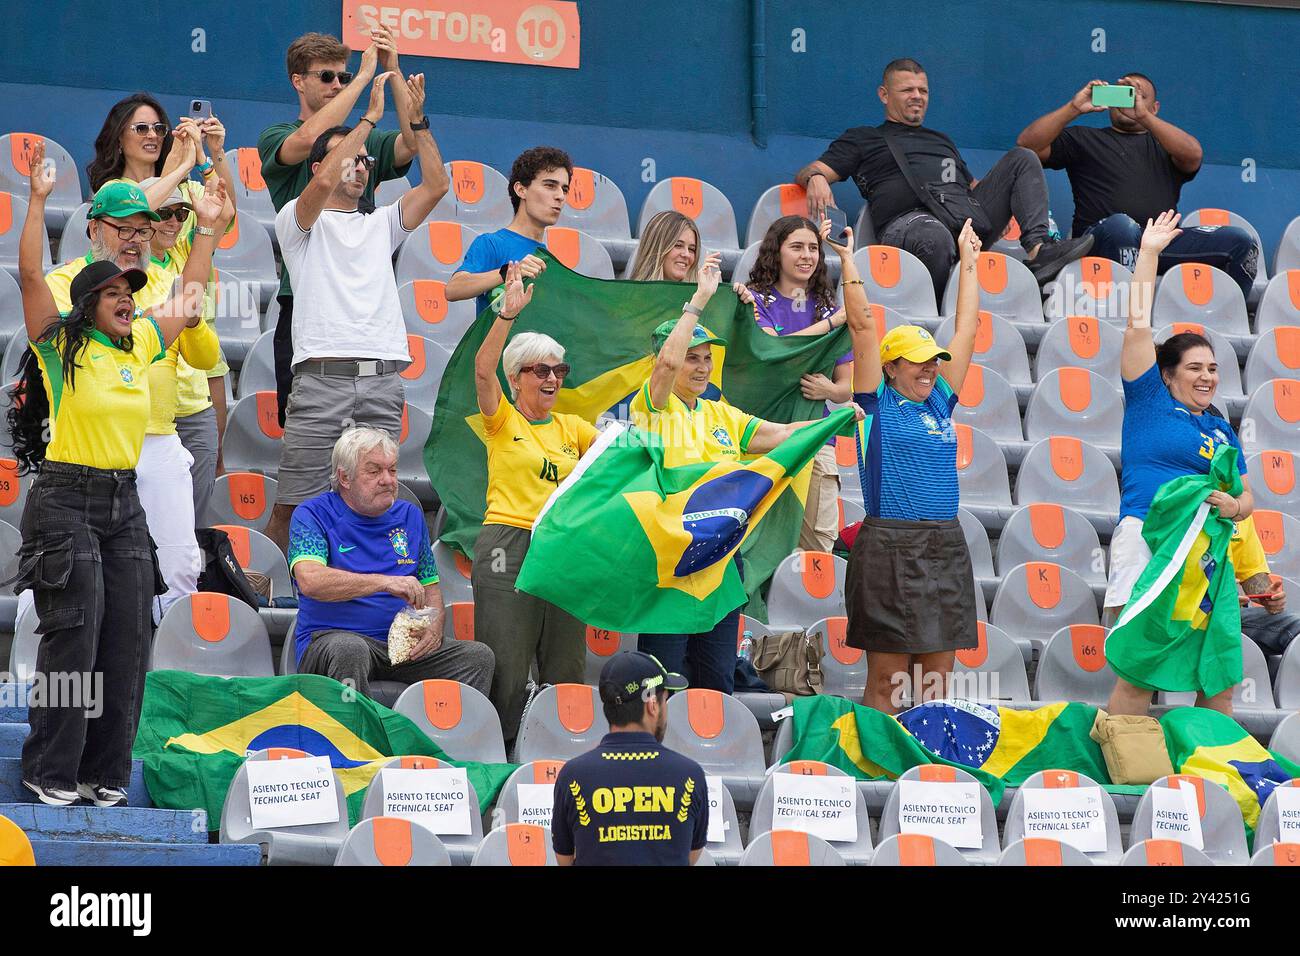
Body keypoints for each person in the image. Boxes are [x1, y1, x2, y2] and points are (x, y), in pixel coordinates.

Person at [10, 141, 227, 807]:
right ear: (86, 304)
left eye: (130, 292)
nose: (129, 299)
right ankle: (50, 768)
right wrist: (38, 203)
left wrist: (208, 233)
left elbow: (188, 302)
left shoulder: (139, 342)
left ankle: (104, 773)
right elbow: (27, 280)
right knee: (73, 637)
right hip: (64, 497)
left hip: (122, 501)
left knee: (128, 636)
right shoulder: (60, 347)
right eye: (114, 294)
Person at [632, 254, 862, 693]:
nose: (701, 367)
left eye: (706, 358)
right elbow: (663, 366)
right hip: (673, 559)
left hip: (722, 560)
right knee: (664, 683)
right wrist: (698, 301)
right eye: (691, 359)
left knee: (717, 681)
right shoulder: (653, 408)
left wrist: (831, 422)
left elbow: (781, 434)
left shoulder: (722, 413)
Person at [264, 71, 450, 553]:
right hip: (321, 379)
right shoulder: (295, 223)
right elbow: (324, 176)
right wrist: (367, 118)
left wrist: (418, 122)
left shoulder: (383, 223)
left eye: (366, 160)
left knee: (372, 503)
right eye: (351, 157)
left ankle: (358, 595)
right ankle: (268, 596)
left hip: (383, 381)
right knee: (294, 504)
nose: (361, 165)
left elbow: (436, 185)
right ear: (322, 165)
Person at [1105, 211, 1256, 717]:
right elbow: (1137, 325)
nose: (1207, 377)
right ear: (1166, 375)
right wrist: (1148, 254)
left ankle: (1212, 772)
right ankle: (1126, 780)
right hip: (1147, 538)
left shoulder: (1220, 427)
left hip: (1202, 558)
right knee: (1139, 672)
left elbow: (1248, 498)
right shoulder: (1147, 399)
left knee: (1214, 675)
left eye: (1213, 369)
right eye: (1195, 368)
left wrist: (1233, 504)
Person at [795, 57, 1093, 304]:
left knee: (1023, 157)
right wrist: (818, 177)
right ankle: (935, 309)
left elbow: (971, 190)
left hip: (962, 219)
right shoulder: (864, 138)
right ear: (884, 95)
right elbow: (808, 171)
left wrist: (1006, 203)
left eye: (923, 90)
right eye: (907, 90)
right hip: (909, 223)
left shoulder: (942, 141)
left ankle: (1040, 250)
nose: (917, 96)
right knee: (933, 234)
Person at [842, 219, 982, 714]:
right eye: (918, 361)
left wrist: (968, 261)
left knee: (935, 683)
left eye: (933, 361)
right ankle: (876, 778)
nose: (930, 368)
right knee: (888, 682)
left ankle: (927, 779)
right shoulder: (874, 405)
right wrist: (847, 261)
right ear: (890, 367)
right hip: (889, 546)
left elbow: (966, 328)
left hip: (944, 543)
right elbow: (862, 326)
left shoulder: (941, 402)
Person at [87, 94, 237, 525]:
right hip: (136, 382)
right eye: (141, 128)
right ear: (119, 138)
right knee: (133, 522)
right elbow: (132, 207)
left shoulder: (187, 189)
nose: (153, 135)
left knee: (188, 525)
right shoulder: (112, 195)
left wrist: (213, 157)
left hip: (194, 371)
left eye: (158, 128)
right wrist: (179, 169)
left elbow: (227, 216)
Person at [259, 26, 420, 426]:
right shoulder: (276, 136)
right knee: (303, 432)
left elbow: (410, 145)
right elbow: (310, 138)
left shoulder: (366, 140)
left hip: (362, 306)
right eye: (326, 76)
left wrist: (392, 70)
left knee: (367, 448)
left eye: (344, 77)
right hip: (306, 302)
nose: (337, 84)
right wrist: (364, 82)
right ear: (298, 81)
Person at [471, 262, 598, 742]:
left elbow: (620, 455)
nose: (552, 378)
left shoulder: (574, 429)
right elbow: (482, 370)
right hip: (510, 541)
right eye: (540, 370)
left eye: (558, 370)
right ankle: (497, 761)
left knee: (567, 668)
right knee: (506, 665)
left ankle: (561, 756)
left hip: (565, 547)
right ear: (516, 377)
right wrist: (505, 315)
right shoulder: (503, 420)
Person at [289, 427, 494, 700]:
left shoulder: (409, 515)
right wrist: (384, 582)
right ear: (345, 478)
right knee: (350, 649)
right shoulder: (312, 514)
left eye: (393, 470)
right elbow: (311, 581)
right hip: (331, 639)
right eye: (374, 472)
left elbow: (430, 589)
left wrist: (433, 625)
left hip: (400, 646)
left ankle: (441, 740)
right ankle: (354, 740)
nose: (387, 480)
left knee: (478, 657)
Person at [1016, 74, 1257, 298]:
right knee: (1123, 225)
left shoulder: (1166, 144)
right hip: (1103, 239)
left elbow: (1193, 154)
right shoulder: (1083, 138)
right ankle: (1134, 314)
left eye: (1138, 95)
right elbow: (1027, 146)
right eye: (1124, 93)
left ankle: (1225, 316)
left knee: (1241, 241)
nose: (1130, 100)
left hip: (1161, 242)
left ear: (1154, 108)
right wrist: (1074, 108)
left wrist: (1143, 117)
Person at [136, 178, 223, 620]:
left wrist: (188, 321)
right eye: (162, 213)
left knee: (179, 564)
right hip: (103, 440)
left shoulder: (175, 277)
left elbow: (206, 357)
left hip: (161, 434)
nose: (171, 221)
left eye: (179, 215)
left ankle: (166, 666)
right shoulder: (95, 274)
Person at [746, 215, 852, 551]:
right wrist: (831, 324)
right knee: (754, 541)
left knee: (819, 544)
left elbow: (846, 386)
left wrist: (829, 391)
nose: (807, 255)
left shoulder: (825, 307)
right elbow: (773, 353)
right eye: (797, 247)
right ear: (776, 253)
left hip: (816, 439)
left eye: (813, 248)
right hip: (762, 435)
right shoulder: (753, 301)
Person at [551, 651, 707, 866]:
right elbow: (691, 855)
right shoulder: (690, 774)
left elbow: (564, 859)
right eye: (665, 700)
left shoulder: (573, 775)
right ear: (652, 705)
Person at [445, 146, 572, 317]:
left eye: (564, 189)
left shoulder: (551, 261)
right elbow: (453, 289)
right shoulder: (492, 243)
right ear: (521, 190)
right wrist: (509, 272)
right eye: (550, 185)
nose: (560, 196)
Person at [627, 210, 702, 282]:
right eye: (678, 245)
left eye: (692, 249)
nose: (687, 254)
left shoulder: (703, 292)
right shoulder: (633, 293)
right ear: (656, 248)